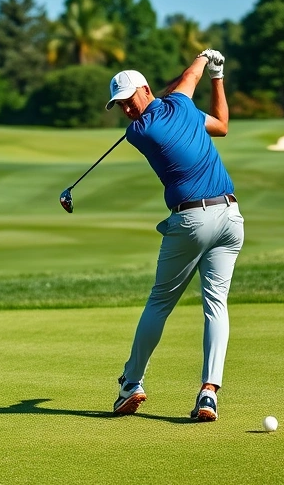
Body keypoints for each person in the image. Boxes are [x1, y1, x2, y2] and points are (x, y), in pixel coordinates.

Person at [107, 50, 244, 421]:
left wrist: (211, 76)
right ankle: (209, 392)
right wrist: (209, 65)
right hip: (230, 217)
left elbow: (220, 125)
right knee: (216, 305)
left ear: (145, 90)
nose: (127, 111)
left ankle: (131, 382)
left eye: (128, 101)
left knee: (159, 302)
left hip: (192, 222)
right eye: (120, 106)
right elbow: (194, 92)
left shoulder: (151, 123)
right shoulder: (155, 122)